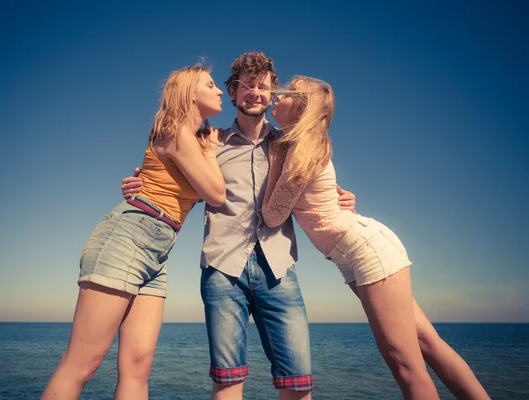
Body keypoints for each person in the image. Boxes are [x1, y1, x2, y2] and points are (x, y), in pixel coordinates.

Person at [121, 51, 356, 400]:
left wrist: (345, 200)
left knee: (298, 383)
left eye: (263, 87)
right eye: (246, 86)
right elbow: (169, 176)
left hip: (279, 270)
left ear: (273, 93)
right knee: (227, 382)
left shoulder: (290, 144)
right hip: (221, 270)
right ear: (232, 93)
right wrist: (137, 184)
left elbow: (316, 193)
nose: (255, 93)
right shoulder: (207, 142)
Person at [262, 76, 490, 400]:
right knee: (427, 346)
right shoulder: (304, 145)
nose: (274, 98)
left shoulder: (300, 150)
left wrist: (273, 162)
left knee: (405, 365)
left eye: (282, 94)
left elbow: (273, 215)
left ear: (299, 106)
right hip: (355, 252)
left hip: (366, 250)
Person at [41, 64, 225, 400]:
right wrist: (211, 153)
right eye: (211, 84)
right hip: (130, 235)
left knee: (138, 365)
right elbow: (216, 194)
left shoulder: (196, 140)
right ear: (188, 92)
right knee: (82, 364)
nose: (219, 91)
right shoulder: (175, 130)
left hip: (158, 249)